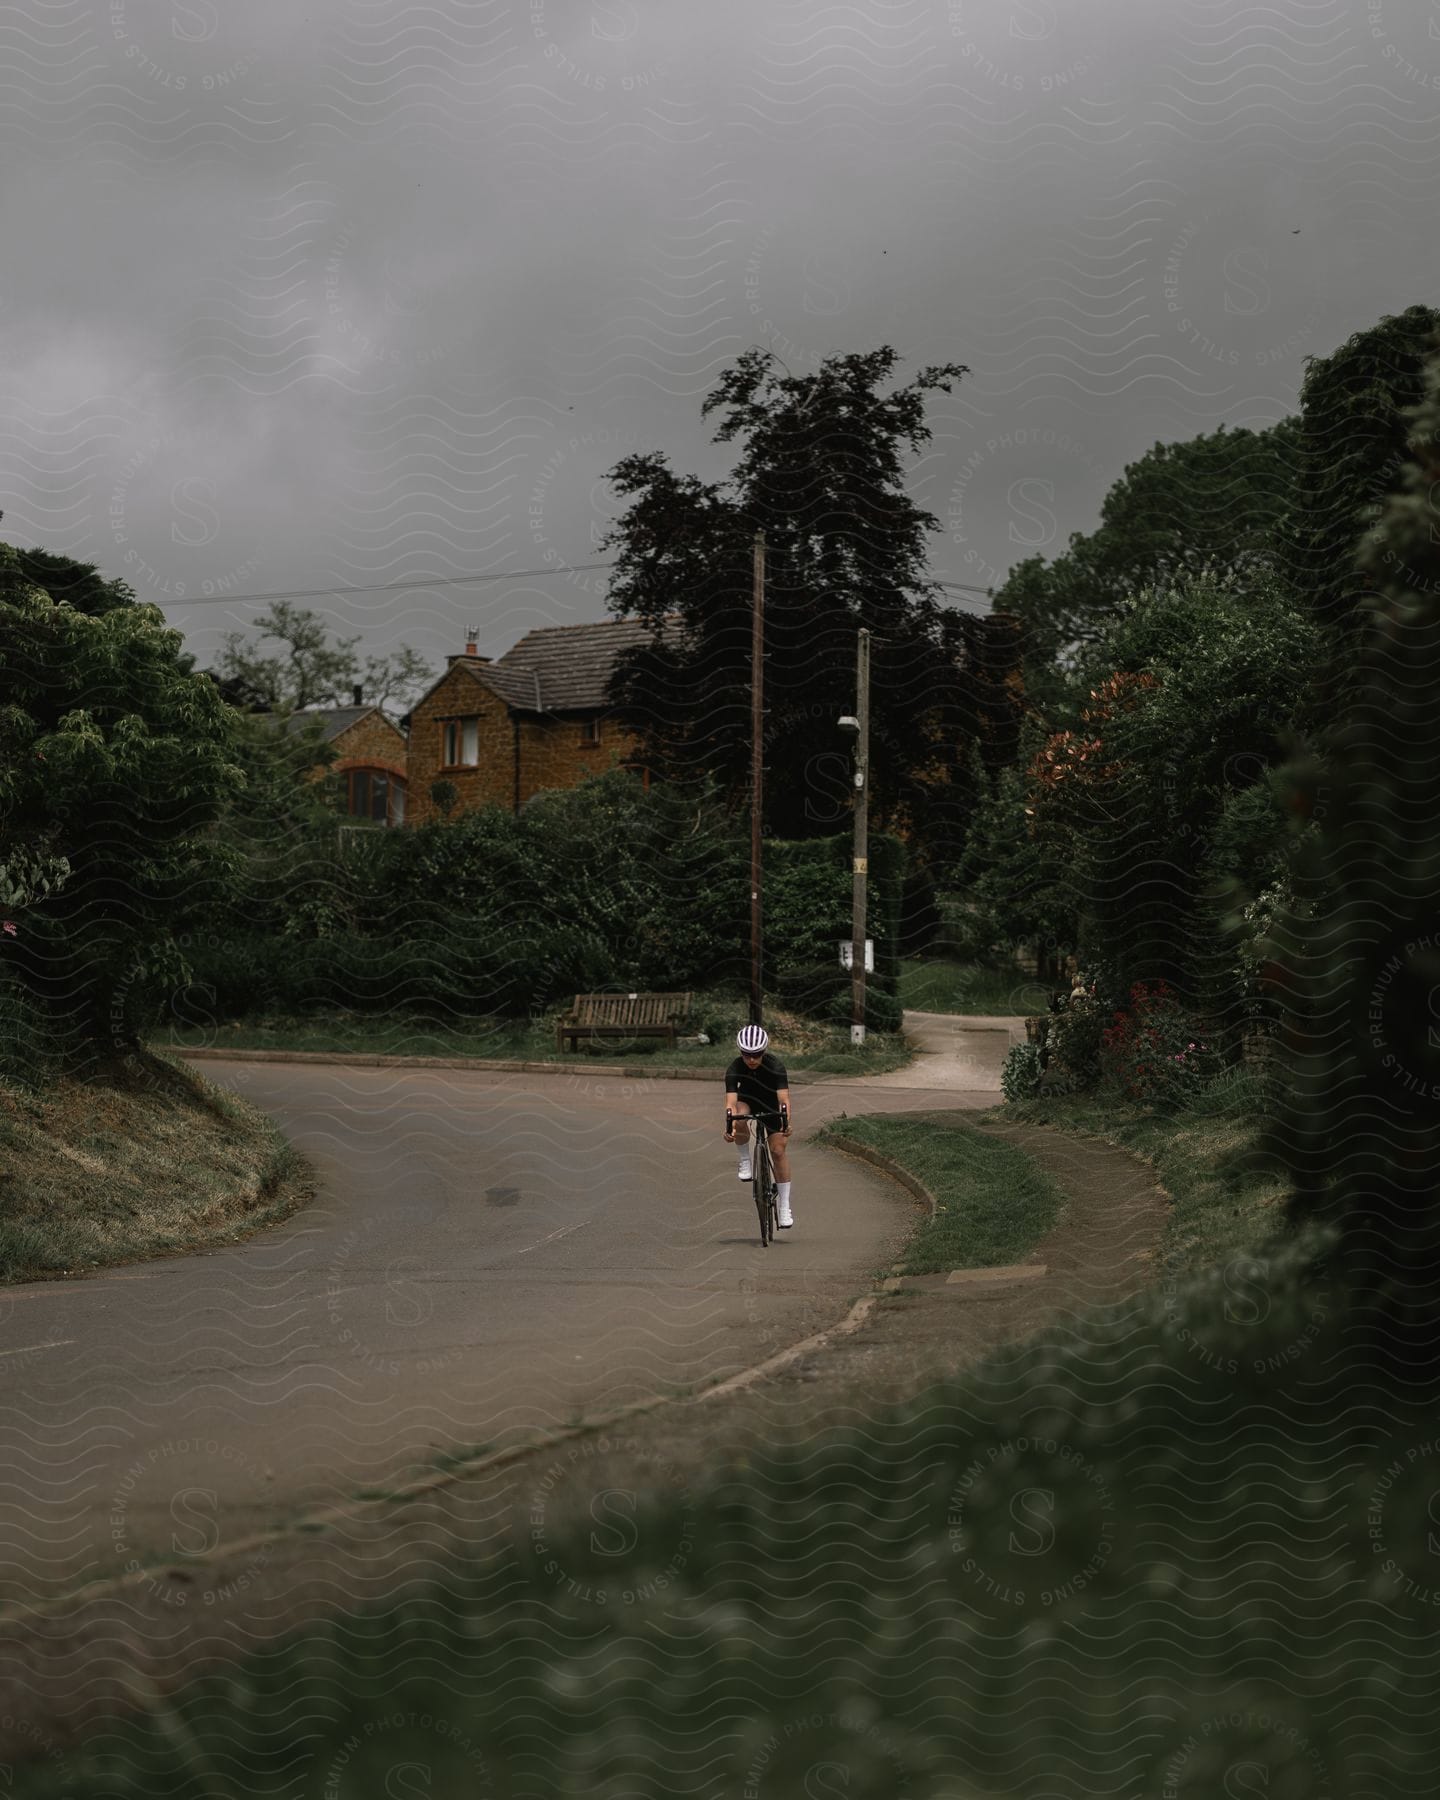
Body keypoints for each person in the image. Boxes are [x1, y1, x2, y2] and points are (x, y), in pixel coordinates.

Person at [724, 1022, 794, 1229]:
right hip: (747, 1102)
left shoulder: (775, 1066)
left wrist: (786, 1122)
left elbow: (784, 1100)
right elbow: (730, 1103)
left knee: (778, 1151)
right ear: (740, 1052)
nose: (752, 1059)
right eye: (747, 1054)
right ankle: (745, 1159)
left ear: (764, 1051)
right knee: (739, 1115)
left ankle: (784, 1205)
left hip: (772, 1105)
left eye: (757, 1054)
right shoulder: (734, 1068)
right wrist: (730, 1129)